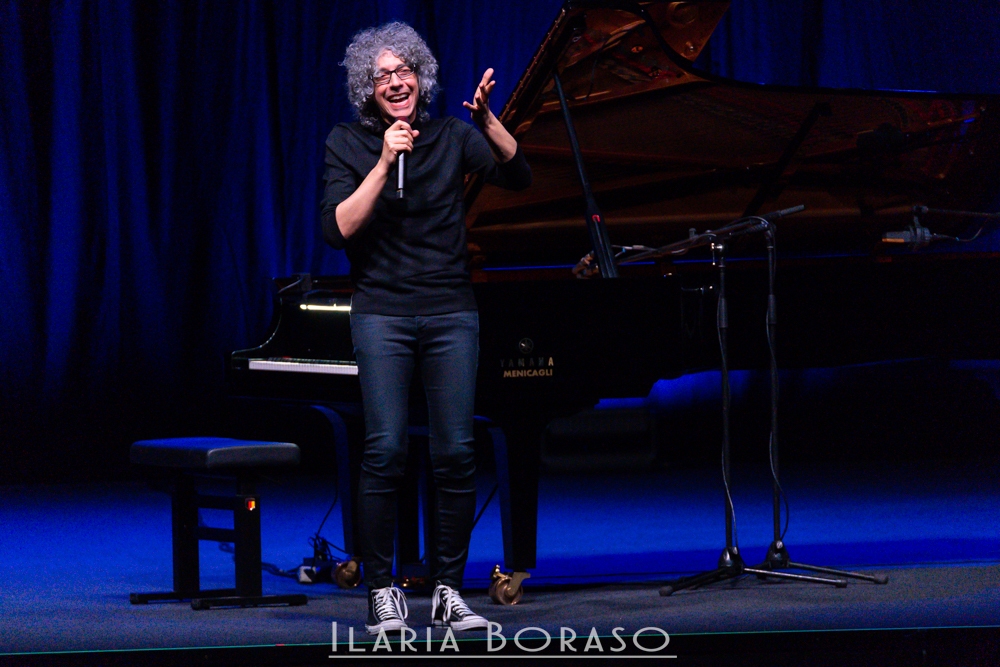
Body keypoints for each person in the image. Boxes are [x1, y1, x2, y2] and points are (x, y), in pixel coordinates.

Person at [320, 22, 531, 635]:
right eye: (381, 75)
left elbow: (519, 178)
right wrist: (385, 161)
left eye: (403, 70)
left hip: (450, 312)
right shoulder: (347, 142)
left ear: (421, 78)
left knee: (456, 452)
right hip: (382, 313)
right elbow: (338, 230)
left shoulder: (452, 137)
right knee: (384, 449)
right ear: (368, 87)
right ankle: (383, 589)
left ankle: (447, 590)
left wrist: (490, 121)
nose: (395, 82)